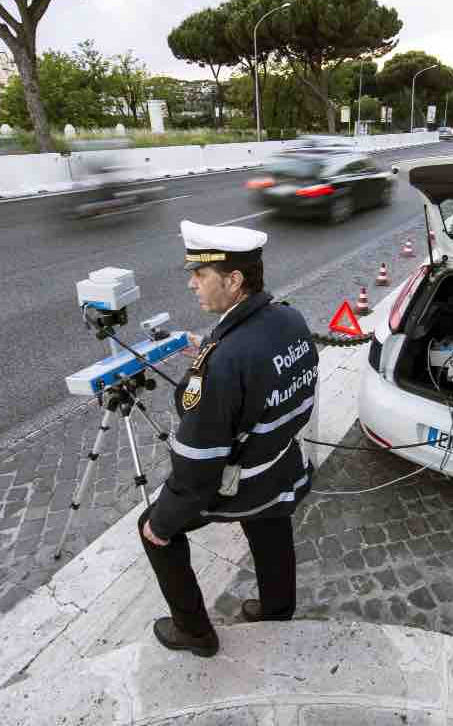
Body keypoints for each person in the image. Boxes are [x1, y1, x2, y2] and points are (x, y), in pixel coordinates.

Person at [138, 220, 319, 657]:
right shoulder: (289, 317)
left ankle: (196, 634)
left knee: (149, 530)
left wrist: (163, 521)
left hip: (242, 483)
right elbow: (284, 383)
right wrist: (212, 349)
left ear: (234, 280)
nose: (191, 285)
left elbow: (199, 461)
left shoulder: (223, 360)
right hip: (281, 467)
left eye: (199, 275)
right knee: (270, 525)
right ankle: (278, 609)